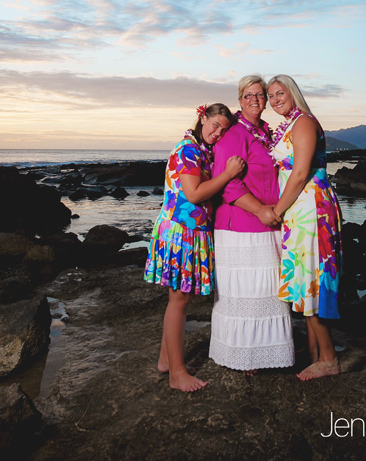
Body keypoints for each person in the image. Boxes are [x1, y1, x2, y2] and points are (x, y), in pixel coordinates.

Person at [143, 103, 245, 392]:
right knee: (179, 300)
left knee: (179, 299)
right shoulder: (188, 149)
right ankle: (177, 374)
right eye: (215, 125)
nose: (218, 133)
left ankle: (167, 361)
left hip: (190, 230)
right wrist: (229, 173)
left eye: (224, 130)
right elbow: (194, 193)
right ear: (202, 118)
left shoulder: (201, 149)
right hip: (181, 232)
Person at [209, 75, 295, 372]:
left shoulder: (266, 133)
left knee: (267, 292)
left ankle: (266, 351)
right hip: (242, 225)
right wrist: (260, 210)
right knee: (247, 292)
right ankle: (243, 356)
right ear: (239, 100)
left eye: (260, 94)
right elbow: (227, 184)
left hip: (269, 222)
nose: (255, 100)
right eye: (248, 95)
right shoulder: (234, 134)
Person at [267, 74, 344, 380]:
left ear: (292, 93)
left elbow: (300, 174)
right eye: (271, 95)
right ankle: (316, 354)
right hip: (299, 210)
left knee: (312, 279)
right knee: (305, 278)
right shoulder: (291, 124)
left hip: (311, 209)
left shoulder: (303, 123)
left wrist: (277, 211)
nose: (274, 99)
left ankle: (329, 358)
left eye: (279, 93)